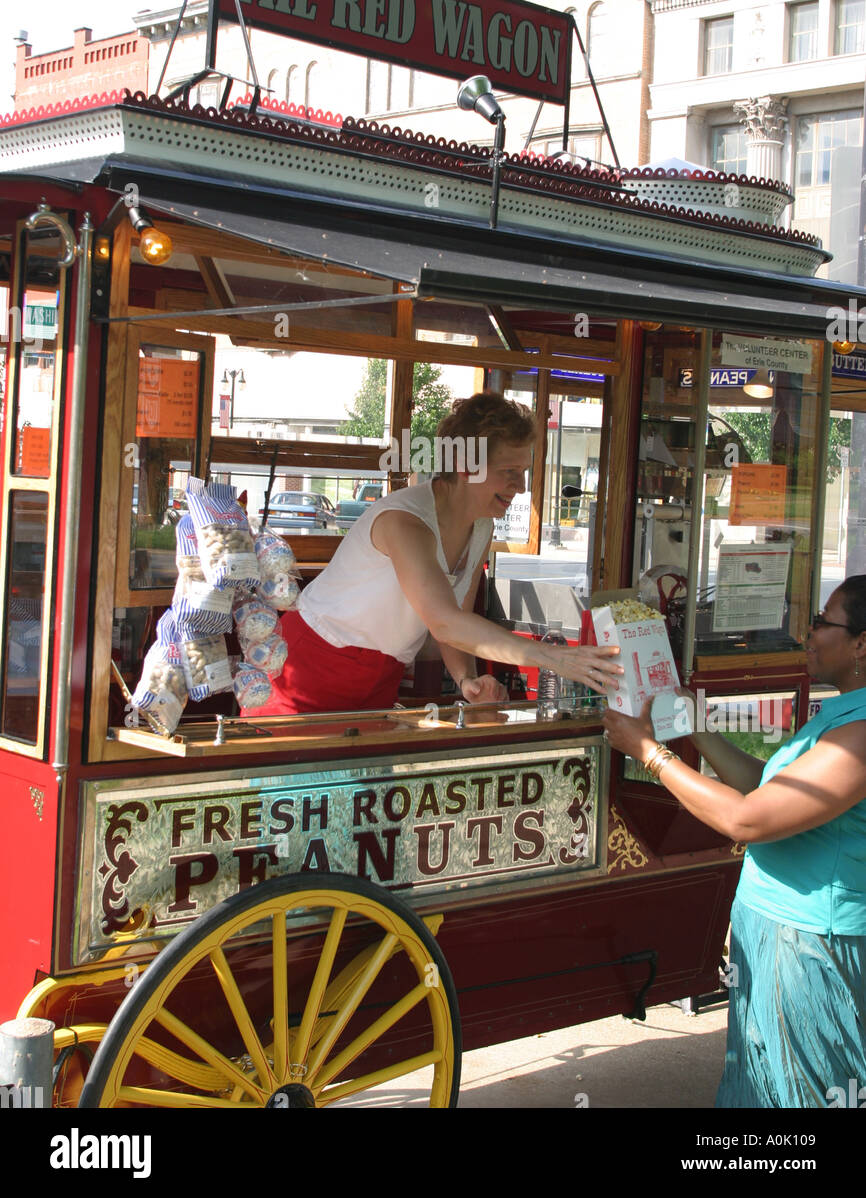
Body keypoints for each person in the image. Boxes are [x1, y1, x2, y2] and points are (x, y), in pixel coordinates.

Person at [602, 576, 866, 1109]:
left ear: (862, 644)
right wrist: (697, 728)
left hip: (810, 939)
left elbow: (748, 819)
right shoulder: (841, 717)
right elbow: (765, 785)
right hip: (781, 931)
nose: (809, 633)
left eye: (822, 622)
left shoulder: (859, 735)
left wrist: (651, 753)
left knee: (805, 1090)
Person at [247, 391, 623, 716]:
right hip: (308, 667)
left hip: (380, 675)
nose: (520, 486)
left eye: (523, 471)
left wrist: (467, 679)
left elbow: (454, 616)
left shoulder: (481, 526)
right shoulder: (404, 521)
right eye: (510, 470)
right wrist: (554, 658)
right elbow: (444, 622)